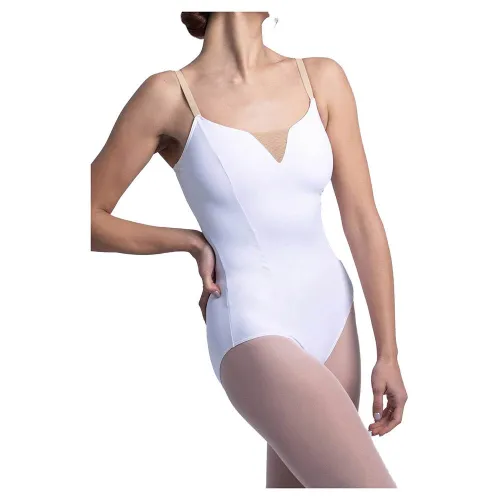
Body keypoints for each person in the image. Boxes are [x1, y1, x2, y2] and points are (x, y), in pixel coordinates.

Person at [90, 11, 408, 488]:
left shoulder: (322, 78)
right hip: (251, 321)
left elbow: (362, 219)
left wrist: (389, 351)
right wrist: (188, 242)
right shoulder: (169, 95)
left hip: (335, 316)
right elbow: (84, 217)